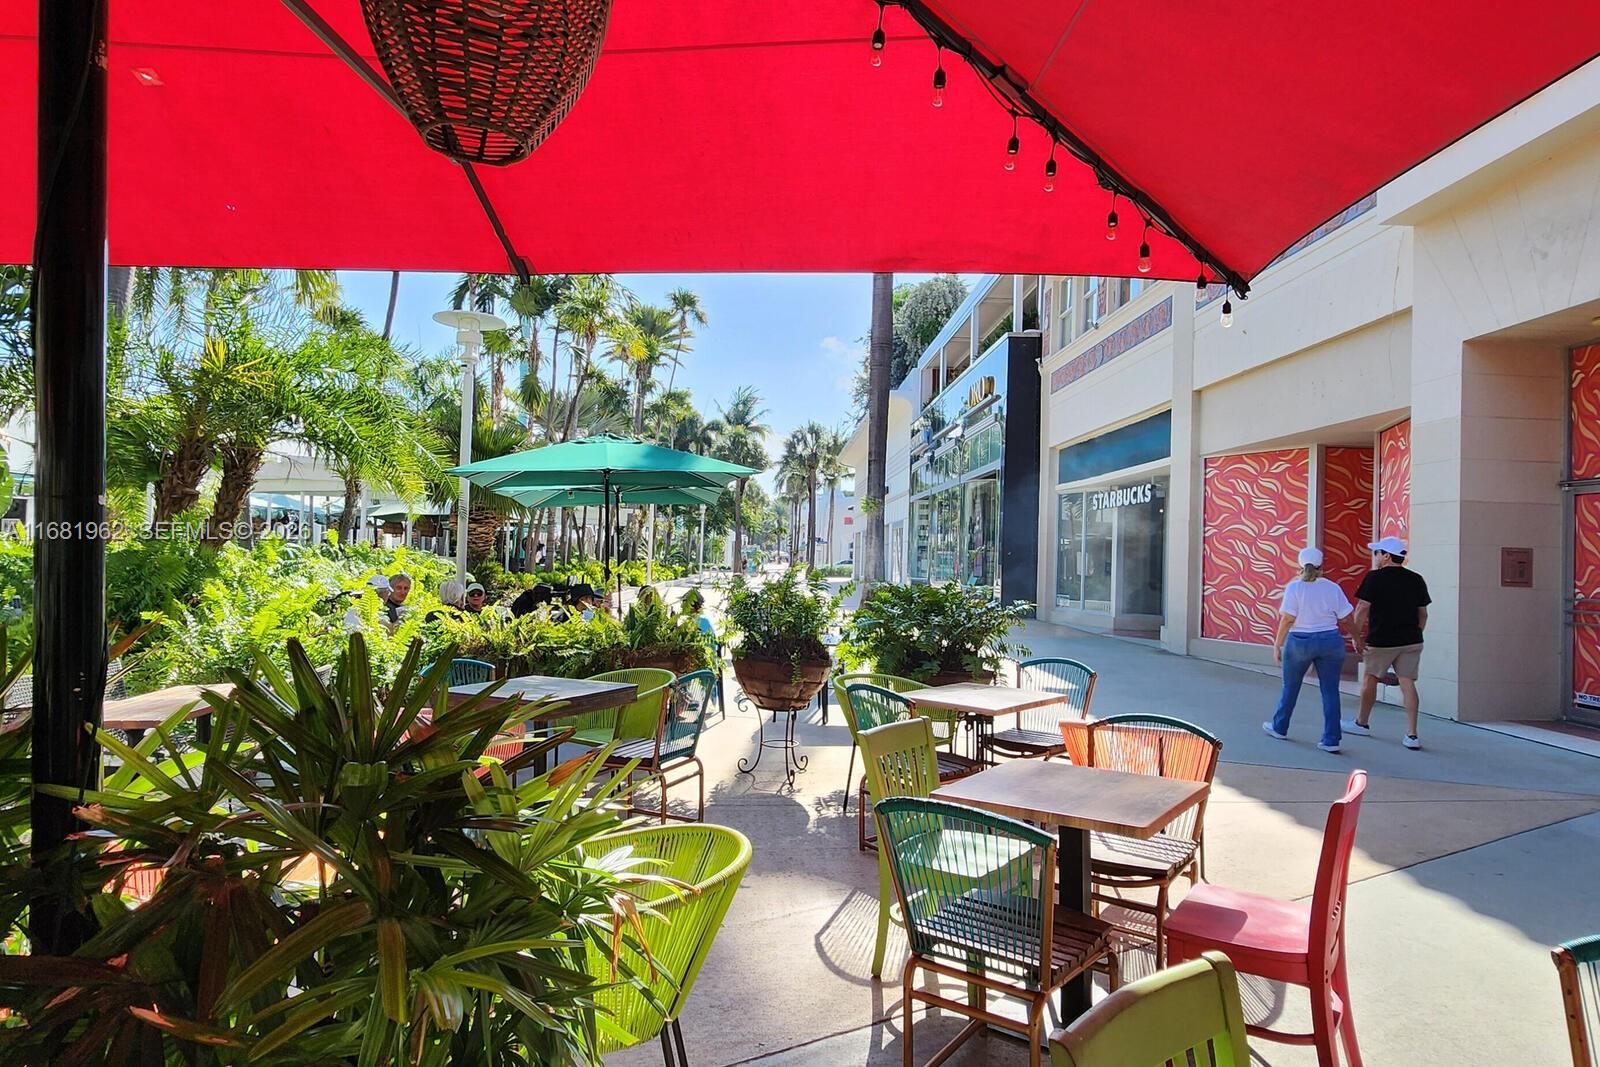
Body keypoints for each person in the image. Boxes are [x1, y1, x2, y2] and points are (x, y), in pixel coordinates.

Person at [1263, 547, 1357, 754]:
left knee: (1290, 686)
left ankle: (1280, 727)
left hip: (1300, 641)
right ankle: (1331, 739)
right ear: (1322, 566)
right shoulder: (1332, 588)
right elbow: (1346, 617)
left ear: (1299, 565)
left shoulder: (1294, 588)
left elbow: (1288, 618)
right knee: (1330, 690)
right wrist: (1357, 638)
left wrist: (1277, 644)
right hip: (1330, 640)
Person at [1344, 536, 1430, 750]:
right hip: (1410, 639)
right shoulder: (1416, 579)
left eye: (1378, 553)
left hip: (1381, 639)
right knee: (1407, 682)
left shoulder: (1374, 578)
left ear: (1387, 555)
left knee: (1370, 678)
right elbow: (1423, 614)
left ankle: (1361, 722)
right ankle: (1412, 734)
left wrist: (1356, 636)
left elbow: (1362, 608)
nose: (1376, 557)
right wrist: (1416, 632)